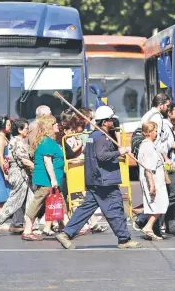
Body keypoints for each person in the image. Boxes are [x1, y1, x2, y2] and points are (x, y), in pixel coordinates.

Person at [54, 106, 141, 249]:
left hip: (97, 179)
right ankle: (124, 239)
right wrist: (120, 152)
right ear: (105, 122)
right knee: (115, 207)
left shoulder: (94, 136)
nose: (113, 122)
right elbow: (102, 156)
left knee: (86, 209)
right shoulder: (100, 137)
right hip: (104, 180)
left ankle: (66, 233)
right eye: (111, 119)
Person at [0, 119, 34, 236]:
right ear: (19, 130)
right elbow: (22, 159)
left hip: (24, 174)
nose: (28, 131)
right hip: (19, 174)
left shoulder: (19, 140)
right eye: (26, 129)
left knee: (30, 201)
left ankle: (31, 227)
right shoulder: (16, 142)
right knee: (14, 201)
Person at [21, 115, 64, 241]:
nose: (57, 125)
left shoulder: (49, 141)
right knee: (37, 202)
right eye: (54, 123)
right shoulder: (47, 142)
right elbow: (47, 161)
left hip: (50, 179)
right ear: (48, 127)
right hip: (46, 179)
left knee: (60, 201)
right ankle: (27, 230)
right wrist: (53, 179)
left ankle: (67, 228)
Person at [138, 121, 168, 240]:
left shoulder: (150, 145)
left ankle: (149, 227)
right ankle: (147, 226)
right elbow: (148, 169)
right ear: (150, 132)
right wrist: (152, 185)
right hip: (154, 180)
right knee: (161, 204)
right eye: (155, 131)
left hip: (157, 179)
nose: (156, 133)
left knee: (155, 205)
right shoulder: (148, 146)